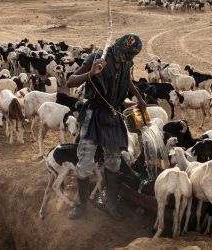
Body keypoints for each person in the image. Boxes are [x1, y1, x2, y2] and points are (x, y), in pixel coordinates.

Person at [67, 33, 146, 221]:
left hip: (113, 115)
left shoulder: (126, 63)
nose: (125, 59)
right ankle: (82, 205)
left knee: (114, 162)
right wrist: (91, 73)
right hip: (94, 114)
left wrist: (139, 97)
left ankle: (111, 206)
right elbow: (71, 81)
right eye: (124, 55)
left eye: (129, 57)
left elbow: (127, 80)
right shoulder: (97, 59)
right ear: (118, 47)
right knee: (85, 162)